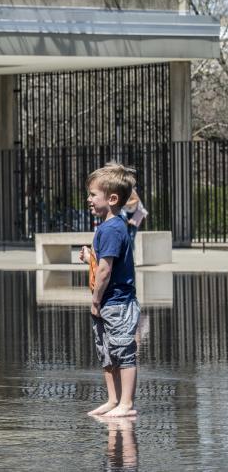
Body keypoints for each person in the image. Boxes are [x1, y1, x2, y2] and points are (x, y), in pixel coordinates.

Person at [79, 162, 140, 418]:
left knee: (123, 350)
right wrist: (90, 257)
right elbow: (102, 262)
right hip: (108, 302)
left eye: (93, 195)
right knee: (106, 351)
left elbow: (105, 270)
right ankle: (113, 400)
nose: (89, 199)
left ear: (112, 199)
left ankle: (126, 403)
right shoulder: (106, 228)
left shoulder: (113, 228)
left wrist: (95, 301)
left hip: (117, 302)